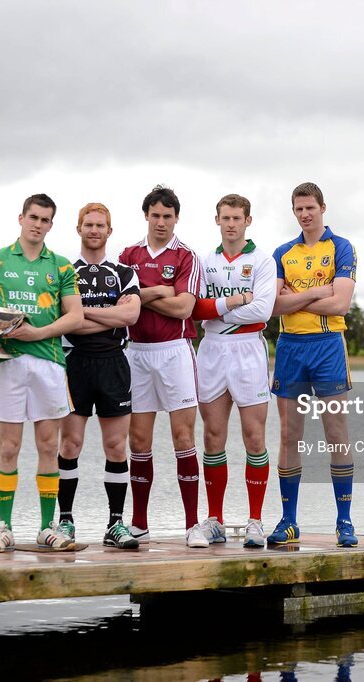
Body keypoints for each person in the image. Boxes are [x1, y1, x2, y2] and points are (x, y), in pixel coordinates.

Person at [0, 193, 83, 552]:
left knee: (47, 446)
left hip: (49, 362)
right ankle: (4, 528)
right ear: (21, 218)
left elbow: (76, 316)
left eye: (45, 220)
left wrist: (38, 333)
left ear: (51, 225)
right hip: (8, 364)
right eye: (33, 217)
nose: (37, 224)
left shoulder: (60, 266)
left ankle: (46, 528)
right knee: (9, 447)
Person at [118, 185, 208, 547]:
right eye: (155, 215)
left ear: (176, 218)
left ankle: (192, 525)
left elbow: (185, 308)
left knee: (183, 438)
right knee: (138, 440)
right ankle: (139, 523)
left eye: (167, 216)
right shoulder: (128, 255)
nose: (161, 222)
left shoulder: (187, 256)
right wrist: (160, 291)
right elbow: (124, 304)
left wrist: (142, 295)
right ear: (146, 216)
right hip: (136, 351)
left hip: (175, 351)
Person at [269, 182, 358, 547]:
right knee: (290, 436)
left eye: (310, 207)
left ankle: (345, 521)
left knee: (336, 434)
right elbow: (272, 306)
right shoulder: (281, 253)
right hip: (290, 347)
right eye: (298, 209)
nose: (305, 214)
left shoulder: (341, 247)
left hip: (327, 347)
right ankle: (289, 521)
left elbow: (340, 306)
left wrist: (295, 299)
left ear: (323, 207)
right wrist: (315, 293)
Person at [189, 194, 277, 547]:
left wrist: (219, 310)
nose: (230, 224)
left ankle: (255, 521)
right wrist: (236, 301)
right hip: (211, 350)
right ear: (217, 220)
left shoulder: (263, 261)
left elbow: (263, 311)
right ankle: (215, 520)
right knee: (212, 436)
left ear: (247, 221)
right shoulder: (204, 261)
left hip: (248, 351)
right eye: (224, 217)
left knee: (254, 437)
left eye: (237, 218)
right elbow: (195, 309)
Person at [56, 203, 142, 549]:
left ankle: (115, 523)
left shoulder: (124, 272)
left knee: (115, 446)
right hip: (75, 362)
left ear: (109, 230)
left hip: (113, 362)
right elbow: (69, 320)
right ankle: (65, 522)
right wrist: (110, 313)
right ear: (79, 229)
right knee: (70, 444)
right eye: (88, 224)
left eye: (100, 225)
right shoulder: (65, 271)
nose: (94, 230)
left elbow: (131, 316)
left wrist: (82, 311)